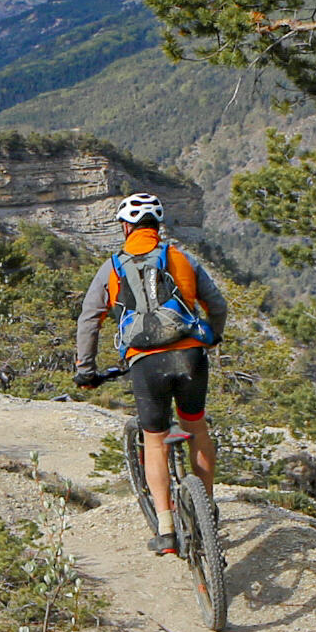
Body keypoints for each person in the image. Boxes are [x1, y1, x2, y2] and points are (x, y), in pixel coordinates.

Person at [72, 194, 229, 557]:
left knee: (154, 439)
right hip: (190, 355)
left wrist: (86, 370)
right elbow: (217, 304)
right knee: (196, 426)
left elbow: (89, 320)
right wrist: (214, 335)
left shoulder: (111, 267)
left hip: (146, 362)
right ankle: (206, 506)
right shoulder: (180, 258)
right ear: (157, 228)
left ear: (126, 228)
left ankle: (167, 529)